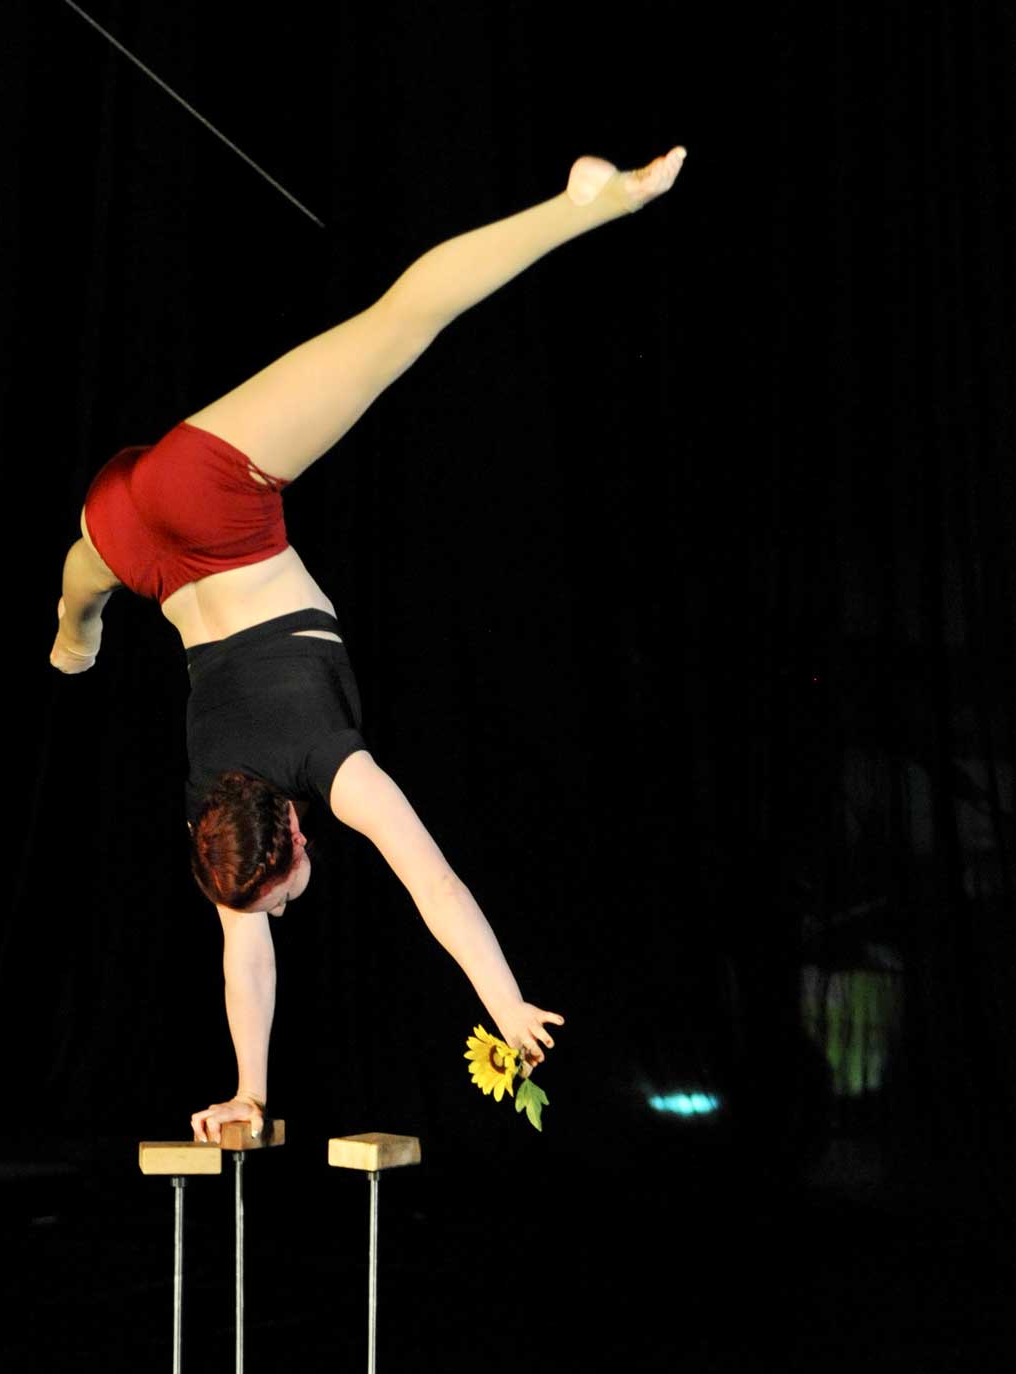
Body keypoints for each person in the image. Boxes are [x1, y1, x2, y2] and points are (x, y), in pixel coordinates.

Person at [50, 149, 687, 1142]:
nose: (283, 908)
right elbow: (244, 952)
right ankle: (72, 627)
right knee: (84, 575)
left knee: (401, 323)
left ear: (295, 834)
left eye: (281, 889)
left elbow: (433, 882)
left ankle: (582, 206)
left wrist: (504, 998)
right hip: (134, 543)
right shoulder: (210, 807)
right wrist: (249, 1094)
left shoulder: (326, 768)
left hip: (211, 502)